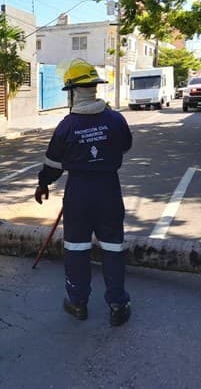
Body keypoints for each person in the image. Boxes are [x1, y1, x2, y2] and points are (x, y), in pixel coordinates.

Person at [34, 59, 133, 326]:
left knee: (76, 248)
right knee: (113, 247)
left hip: (78, 192)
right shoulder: (114, 119)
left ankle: (77, 302)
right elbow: (125, 146)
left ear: (73, 92)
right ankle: (117, 304)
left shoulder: (67, 126)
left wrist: (43, 184)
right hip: (108, 189)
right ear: (94, 88)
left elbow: (52, 164)